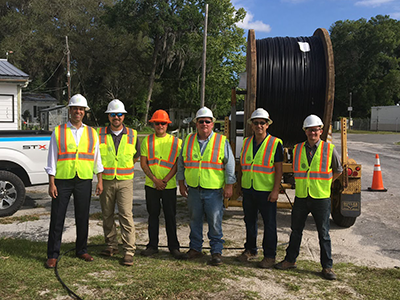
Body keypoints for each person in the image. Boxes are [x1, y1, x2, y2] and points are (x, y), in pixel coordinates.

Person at [275, 114, 343, 280]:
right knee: (296, 230)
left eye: (316, 130)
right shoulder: (297, 149)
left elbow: (338, 170)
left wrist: (326, 183)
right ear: (305, 131)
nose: (313, 133)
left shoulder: (329, 149)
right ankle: (290, 260)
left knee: (324, 233)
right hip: (302, 197)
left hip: (321, 197)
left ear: (320, 131)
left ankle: (327, 267)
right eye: (309, 130)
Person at [45, 94, 103, 269]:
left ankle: (81, 249)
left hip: (84, 180)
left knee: (82, 216)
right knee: (57, 217)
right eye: (75, 108)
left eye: (81, 109)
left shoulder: (92, 133)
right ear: (69, 110)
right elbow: (52, 159)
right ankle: (53, 255)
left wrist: (99, 181)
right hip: (62, 180)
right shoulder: (59, 131)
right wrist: (51, 182)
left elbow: (97, 158)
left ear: (84, 112)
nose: (78, 111)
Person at [177, 107, 236, 266]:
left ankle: (216, 252)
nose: (204, 124)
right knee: (194, 220)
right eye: (201, 121)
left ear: (212, 123)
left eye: (207, 121)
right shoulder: (188, 140)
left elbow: (229, 165)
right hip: (194, 189)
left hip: (214, 190)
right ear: (196, 123)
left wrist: (229, 185)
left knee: (215, 221)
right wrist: (181, 183)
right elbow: (181, 163)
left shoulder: (221, 141)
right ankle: (195, 248)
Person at [237, 108, 283, 268]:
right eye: (256, 123)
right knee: (249, 221)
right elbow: (243, 166)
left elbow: (278, 169)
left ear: (267, 125)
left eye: (262, 123)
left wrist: (276, 190)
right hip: (249, 190)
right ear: (251, 125)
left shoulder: (275, 143)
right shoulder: (247, 142)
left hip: (266, 191)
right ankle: (250, 250)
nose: (259, 126)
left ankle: (270, 256)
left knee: (269, 224)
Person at [97, 99, 140, 266]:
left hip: (125, 182)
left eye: (119, 114)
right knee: (107, 215)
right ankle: (111, 246)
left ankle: (129, 250)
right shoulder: (99, 134)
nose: (117, 117)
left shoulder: (132, 134)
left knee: (126, 215)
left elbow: (135, 156)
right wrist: (99, 180)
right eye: (113, 114)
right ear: (109, 116)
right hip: (106, 181)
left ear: (123, 116)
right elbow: (96, 159)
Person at [140, 110, 183, 259]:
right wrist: (155, 180)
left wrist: (164, 181)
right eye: (157, 123)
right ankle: (152, 246)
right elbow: (143, 164)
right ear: (153, 124)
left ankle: (174, 247)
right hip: (151, 185)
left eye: (163, 123)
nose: (160, 126)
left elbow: (178, 164)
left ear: (167, 124)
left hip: (168, 186)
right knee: (153, 215)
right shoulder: (147, 140)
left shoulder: (177, 142)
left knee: (170, 216)